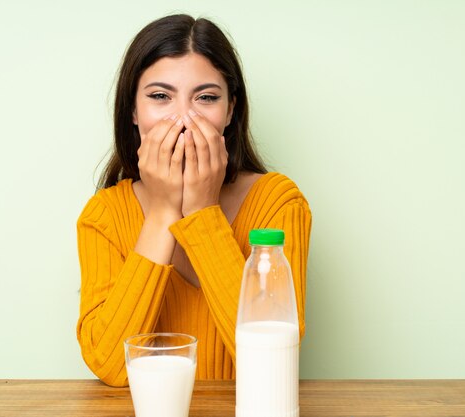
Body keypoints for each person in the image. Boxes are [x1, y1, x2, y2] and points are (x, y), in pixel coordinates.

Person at [76, 14, 312, 387]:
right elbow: (109, 364)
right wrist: (164, 212)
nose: (184, 118)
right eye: (159, 96)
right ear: (134, 112)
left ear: (230, 110)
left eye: (206, 97)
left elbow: (271, 364)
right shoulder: (104, 215)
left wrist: (202, 212)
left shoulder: (279, 203)